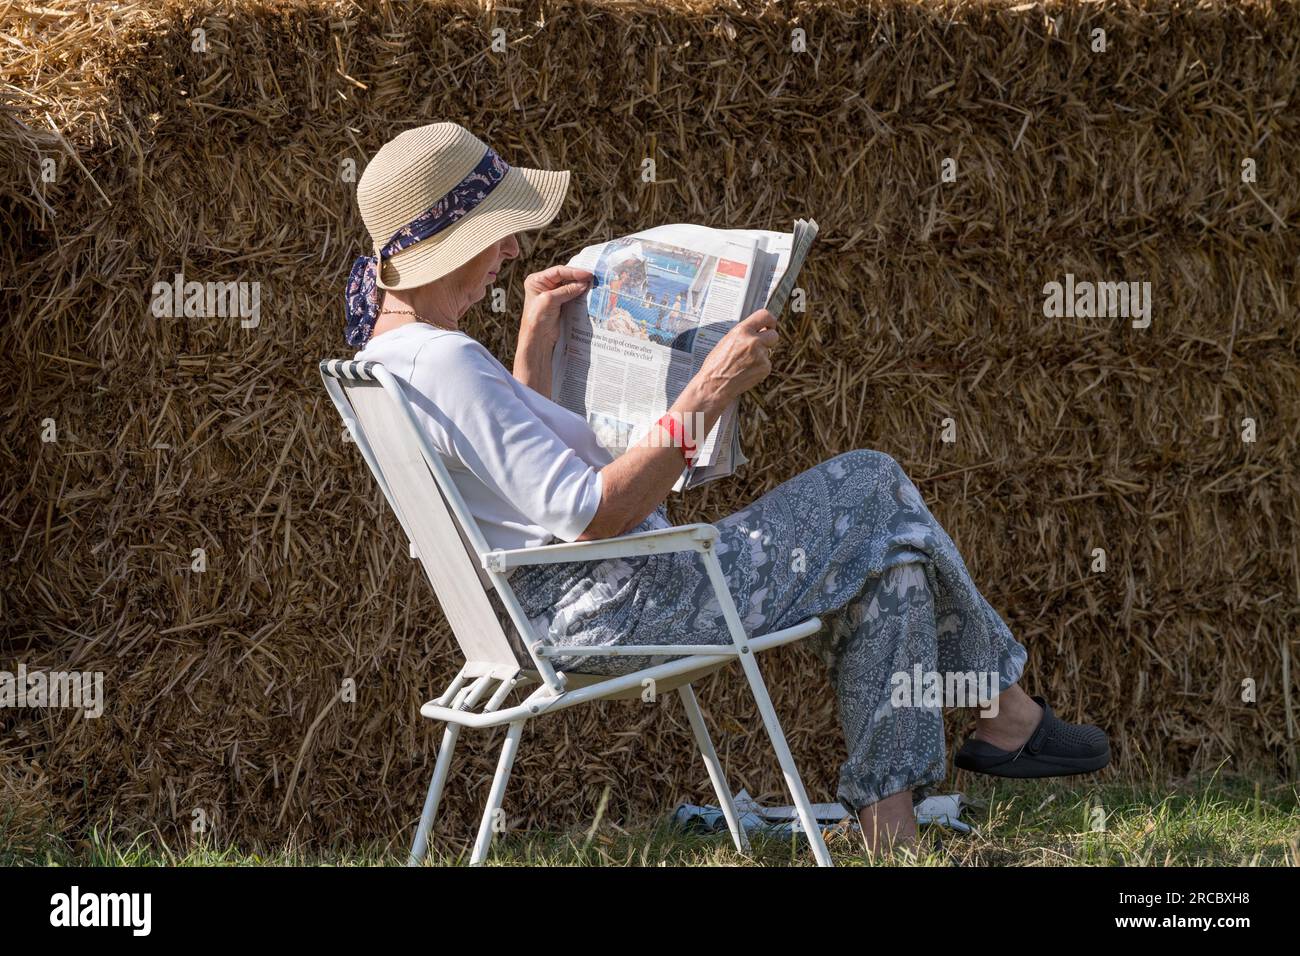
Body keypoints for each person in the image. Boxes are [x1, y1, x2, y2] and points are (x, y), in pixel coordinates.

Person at [344, 122, 1110, 854]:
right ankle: (1006, 710)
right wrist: (705, 393)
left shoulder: (392, 360)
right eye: (498, 231)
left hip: (543, 613)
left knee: (892, 561)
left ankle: (893, 827)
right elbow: (591, 514)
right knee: (873, 482)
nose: (512, 250)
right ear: (450, 244)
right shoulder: (445, 362)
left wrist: (535, 341)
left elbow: (514, 484)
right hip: (623, 608)